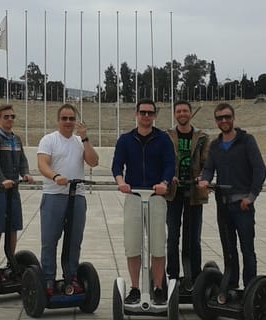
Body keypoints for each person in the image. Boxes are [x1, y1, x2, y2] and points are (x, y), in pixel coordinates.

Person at [197, 103, 266, 296]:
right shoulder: (215, 145)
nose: (224, 120)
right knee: (228, 249)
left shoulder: (247, 141)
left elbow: (259, 170)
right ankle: (232, 285)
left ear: (233, 118)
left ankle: (250, 289)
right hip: (224, 205)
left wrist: (251, 197)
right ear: (216, 121)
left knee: (247, 249)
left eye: (227, 117)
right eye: (220, 118)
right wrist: (205, 180)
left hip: (243, 205)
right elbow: (209, 168)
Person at [112, 99, 176, 305]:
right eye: (143, 112)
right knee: (132, 245)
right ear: (136, 114)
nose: (146, 116)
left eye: (150, 113)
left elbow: (170, 164)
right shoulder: (126, 139)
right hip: (134, 196)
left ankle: (158, 288)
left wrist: (164, 183)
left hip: (156, 197)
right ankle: (135, 288)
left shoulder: (163, 139)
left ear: (155, 115)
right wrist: (121, 182)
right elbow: (117, 165)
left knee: (158, 245)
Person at [36, 104, 99, 296]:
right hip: (54, 195)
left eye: (72, 119)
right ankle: (48, 279)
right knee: (50, 240)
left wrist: (85, 138)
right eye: (64, 118)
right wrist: (55, 177)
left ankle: (71, 277)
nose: (68, 122)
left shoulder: (80, 142)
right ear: (58, 120)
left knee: (74, 240)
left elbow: (93, 161)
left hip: (77, 196)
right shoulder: (49, 140)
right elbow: (42, 164)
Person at [164, 100, 210, 285]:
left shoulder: (202, 137)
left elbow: (207, 162)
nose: (182, 114)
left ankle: (195, 277)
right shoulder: (167, 136)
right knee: (173, 236)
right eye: (179, 111)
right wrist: (169, 176)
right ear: (175, 114)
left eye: (185, 111)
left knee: (193, 238)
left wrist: (202, 177)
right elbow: (164, 160)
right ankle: (173, 276)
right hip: (173, 193)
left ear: (190, 113)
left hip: (194, 192)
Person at [0, 105, 34, 267]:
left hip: (13, 189)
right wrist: (2, 180)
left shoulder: (16, 139)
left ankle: (10, 262)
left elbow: (22, 160)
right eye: (6, 117)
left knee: (13, 227)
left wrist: (25, 173)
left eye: (12, 116)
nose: (10, 119)